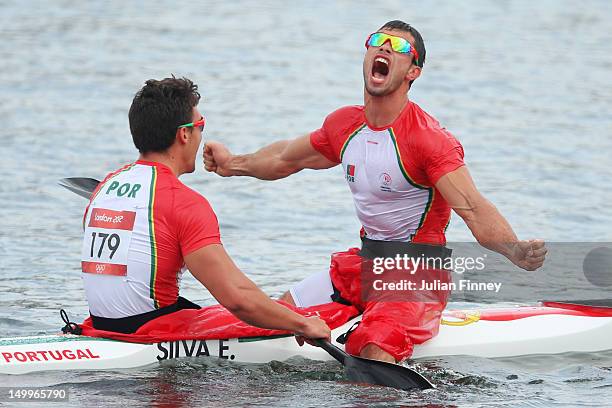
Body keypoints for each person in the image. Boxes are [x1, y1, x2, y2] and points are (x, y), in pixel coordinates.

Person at [203, 20, 547, 363]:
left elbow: (473, 208)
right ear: (367, 54)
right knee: (271, 318)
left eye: (397, 46)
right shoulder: (344, 124)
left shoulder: (429, 140)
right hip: (363, 265)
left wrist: (514, 249)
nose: (384, 47)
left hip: (417, 277)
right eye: (377, 40)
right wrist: (232, 164)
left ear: (413, 72)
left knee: (373, 347)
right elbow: (283, 158)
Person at [80, 76, 330, 342]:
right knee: (311, 314)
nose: (202, 134)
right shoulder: (183, 202)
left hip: (101, 325)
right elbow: (238, 299)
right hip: (147, 333)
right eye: (201, 125)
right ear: (184, 133)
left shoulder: (106, 186)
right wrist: (302, 324)